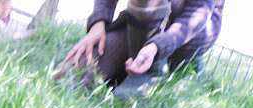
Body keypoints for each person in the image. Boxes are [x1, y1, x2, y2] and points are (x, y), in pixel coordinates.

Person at [57, 0, 225, 95]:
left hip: (191, 35)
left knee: (124, 100)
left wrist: (157, 46)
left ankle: (154, 68)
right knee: (70, 75)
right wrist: (98, 22)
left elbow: (197, 15)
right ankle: (136, 62)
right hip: (141, 23)